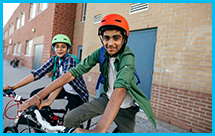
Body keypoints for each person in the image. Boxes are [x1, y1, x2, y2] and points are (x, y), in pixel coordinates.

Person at [18, 14, 156, 133]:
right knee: (70, 118)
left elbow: (120, 89)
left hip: (126, 108)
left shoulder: (128, 56)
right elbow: (73, 73)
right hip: (107, 99)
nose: (110, 43)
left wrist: (99, 129)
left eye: (116, 38)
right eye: (106, 38)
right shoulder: (101, 52)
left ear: (124, 39)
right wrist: (38, 96)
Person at [3, 34, 88, 111]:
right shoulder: (55, 59)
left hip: (76, 92)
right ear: (54, 48)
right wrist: (13, 87)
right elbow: (38, 73)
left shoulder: (70, 60)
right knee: (34, 95)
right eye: (57, 46)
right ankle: (48, 119)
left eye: (63, 46)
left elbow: (63, 79)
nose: (60, 49)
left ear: (68, 49)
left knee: (70, 120)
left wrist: (49, 100)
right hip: (63, 88)